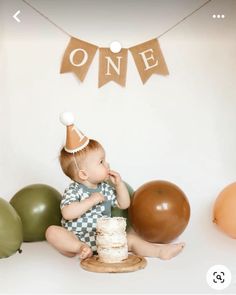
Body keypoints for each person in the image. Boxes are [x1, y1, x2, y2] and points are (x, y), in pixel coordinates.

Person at [46, 112, 185, 260]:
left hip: (105, 239)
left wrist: (119, 185)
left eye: (105, 160)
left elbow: (124, 204)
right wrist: (90, 201)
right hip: (75, 238)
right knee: (52, 232)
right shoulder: (74, 190)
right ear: (83, 174)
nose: (107, 164)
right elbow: (67, 213)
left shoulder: (104, 188)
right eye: (101, 162)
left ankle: (159, 252)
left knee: (130, 239)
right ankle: (80, 248)